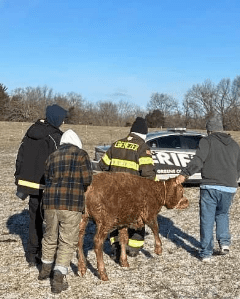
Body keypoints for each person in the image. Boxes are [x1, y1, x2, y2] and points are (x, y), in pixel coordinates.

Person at [176, 115, 240, 262]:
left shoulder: (207, 141)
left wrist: (184, 174)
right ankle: (224, 243)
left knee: (207, 219)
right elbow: (238, 168)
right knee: (223, 214)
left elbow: (198, 160)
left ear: (209, 130)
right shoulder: (234, 144)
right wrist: (232, 181)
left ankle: (206, 252)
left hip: (210, 186)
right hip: (230, 187)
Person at [37, 129, 93, 294]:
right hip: (72, 204)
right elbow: (87, 179)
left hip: (50, 203)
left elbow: (47, 176)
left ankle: (45, 270)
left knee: (49, 237)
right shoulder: (81, 155)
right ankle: (58, 278)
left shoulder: (52, 155)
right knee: (67, 241)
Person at [14, 104, 68, 267]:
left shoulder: (30, 132)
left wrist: (18, 178)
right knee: (50, 222)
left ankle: (31, 253)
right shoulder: (55, 137)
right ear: (56, 119)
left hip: (29, 185)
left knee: (34, 219)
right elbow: (60, 162)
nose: (63, 122)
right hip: (47, 185)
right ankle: (46, 256)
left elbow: (20, 156)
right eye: (62, 118)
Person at [98, 117, 156, 258]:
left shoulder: (116, 144)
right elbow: (148, 175)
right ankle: (133, 248)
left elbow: (102, 165)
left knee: (115, 221)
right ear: (144, 134)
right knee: (137, 221)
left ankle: (116, 247)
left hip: (113, 194)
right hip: (133, 194)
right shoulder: (143, 148)